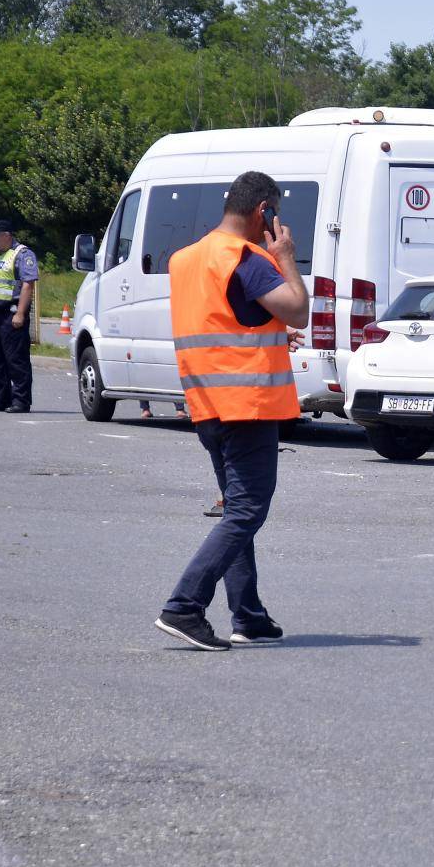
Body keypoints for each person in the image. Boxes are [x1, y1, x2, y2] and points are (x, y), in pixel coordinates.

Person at [153, 171, 309, 652]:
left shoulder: (187, 259)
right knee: (245, 511)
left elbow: (225, 319)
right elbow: (298, 309)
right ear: (264, 210)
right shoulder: (248, 257)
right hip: (249, 404)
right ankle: (184, 606)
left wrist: (268, 334)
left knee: (235, 510)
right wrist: (285, 259)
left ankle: (249, 614)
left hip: (206, 403)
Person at [0, 219, 37, 413]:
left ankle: (21, 400)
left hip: (10, 313)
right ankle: (1, 398)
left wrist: (20, 313)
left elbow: (28, 284)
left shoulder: (22, 254)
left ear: (7, 235)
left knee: (16, 359)